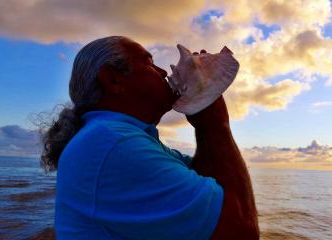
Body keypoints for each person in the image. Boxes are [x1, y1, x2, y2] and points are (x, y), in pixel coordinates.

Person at [40, 36, 259, 239]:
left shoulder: (118, 138)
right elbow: (242, 231)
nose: (163, 71)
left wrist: (203, 111)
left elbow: (207, 178)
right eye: (149, 62)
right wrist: (216, 125)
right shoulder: (113, 143)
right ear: (113, 80)